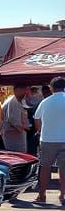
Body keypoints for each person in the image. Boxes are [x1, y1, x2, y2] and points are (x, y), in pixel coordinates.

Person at [33, 76, 65, 204]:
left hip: (47, 139)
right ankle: (63, 195)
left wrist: (39, 130)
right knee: (64, 168)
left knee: (45, 167)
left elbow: (36, 118)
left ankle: (42, 195)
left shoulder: (45, 102)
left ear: (51, 88)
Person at [0, 85, 29, 152]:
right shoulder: (13, 101)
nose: (26, 92)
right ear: (17, 91)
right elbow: (12, 120)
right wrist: (23, 128)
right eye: (24, 90)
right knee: (16, 155)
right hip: (12, 133)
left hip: (16, 133)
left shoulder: (19, 100)